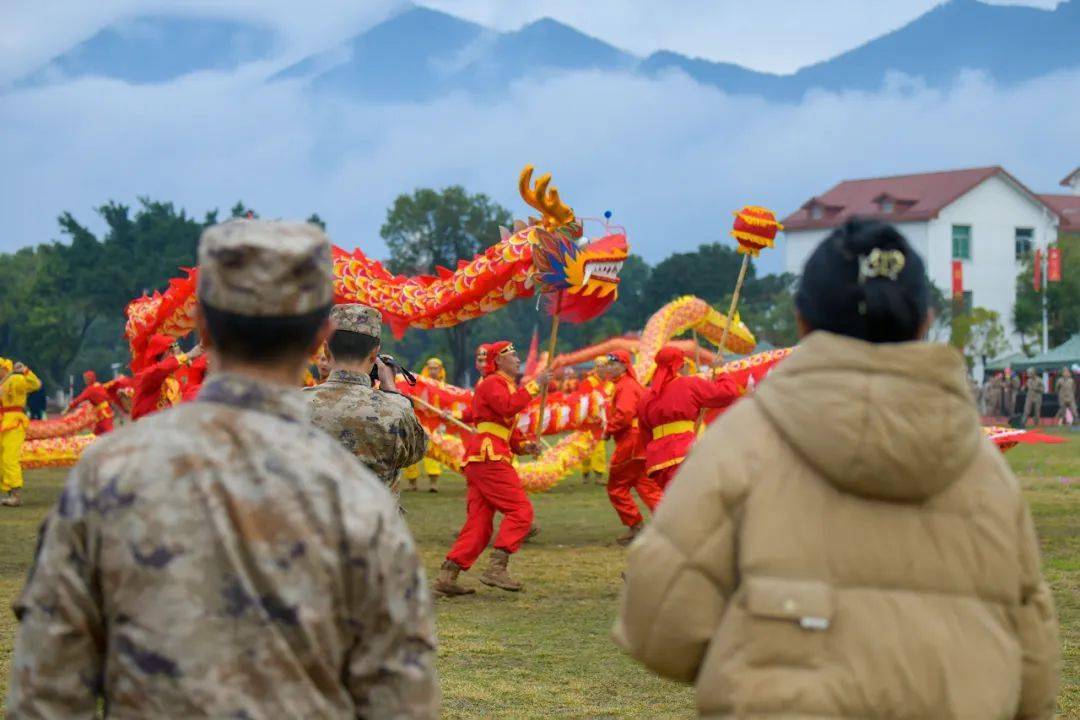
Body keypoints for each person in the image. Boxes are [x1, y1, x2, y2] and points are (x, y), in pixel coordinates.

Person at [615, 218, 1059, 719]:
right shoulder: (985, 473)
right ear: (924, 321)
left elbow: (658, 629)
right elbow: (1034, 678)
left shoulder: (741, 446)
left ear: (802, 321)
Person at [8, 219, 438, 718]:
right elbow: (400, 698)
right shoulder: (360, 497)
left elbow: (47, 691)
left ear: (204, 327)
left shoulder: (109, 473)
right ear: (319, 335)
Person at [435, 342, 550, 596]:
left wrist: (526, 446)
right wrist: (535, 385)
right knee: (521, 511)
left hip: (484, 456)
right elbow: (508, 407)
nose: (518, 360)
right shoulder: (491, 383)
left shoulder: (503, 385)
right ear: (498, 360)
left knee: (480, 524)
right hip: (490, 457)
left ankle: (447, 575)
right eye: (513, 356)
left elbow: (506, 429)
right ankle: (497, 568)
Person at [305, 303, 427, 494]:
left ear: (327, 351)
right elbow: (416, 452)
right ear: (374, 354)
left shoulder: (293, 404)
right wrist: (392, 391)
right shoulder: (395, 409)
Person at [637, 346, 741, 491]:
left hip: (658, 462)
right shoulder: (687, 384)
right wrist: (720, 371)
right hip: (684, 453)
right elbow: (728, 393)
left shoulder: (646, 397)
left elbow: (645, 435)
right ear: (681, 365)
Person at [600, 350, 662, 546]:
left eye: (613, 363)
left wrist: (608, 429)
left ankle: (636, 526)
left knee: (616, 487)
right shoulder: (629, 384)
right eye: (608, 363)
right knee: (647, 487)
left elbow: (625, 414)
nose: (609, 367)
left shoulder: (625, 386)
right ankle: (669, 525)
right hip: (642, 442)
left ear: (625, 366)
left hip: (631, 443)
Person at [130, 337, 206, 420]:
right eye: (172, 351)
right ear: (164, 353)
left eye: (177, 351)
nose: (177, 355)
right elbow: (160, 369)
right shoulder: (146, 377)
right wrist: (188, 355)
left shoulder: (175, 382)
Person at [0, 358, 41, 507]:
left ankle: (16, 496)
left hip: (14, 421)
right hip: (4, 422)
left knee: (10, 458)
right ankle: (10, 494)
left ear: (4, 368)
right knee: (3, 459)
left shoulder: (15, 379)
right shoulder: (3, 383)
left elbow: (36, 384)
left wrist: (24, 371)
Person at [405, 357, 448, 492]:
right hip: (419, 422)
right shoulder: (419, 384)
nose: (432, 371)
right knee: (411, 450)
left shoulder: (445, 387)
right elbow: (413, 398)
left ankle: (433, 484)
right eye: (430, 368)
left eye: (435, 368)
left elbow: (448, 404)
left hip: (435, 424)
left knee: (432, 451)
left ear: (440, 370)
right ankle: (412, 483)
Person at [579, 358, 610, 485]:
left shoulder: (610, 383)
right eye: (599, 366)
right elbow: (582, 400)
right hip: (588, 422)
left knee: (600, 450)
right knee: (585, 450)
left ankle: (599, 476)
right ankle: (585, 474)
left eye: (604, 366)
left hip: (601, 423)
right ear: (596, 367)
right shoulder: (588, 381)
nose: (602, 368)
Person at [67, 370, 116, 434]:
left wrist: (69, 407)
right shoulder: (98, 385)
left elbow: (79, 399)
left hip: (103, 414)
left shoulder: (90, 389)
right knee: (98, 433)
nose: (85, 381)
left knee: (108, 432)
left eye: (86, 379)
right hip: (103, 412)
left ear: (89, 379)